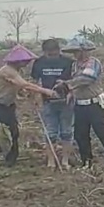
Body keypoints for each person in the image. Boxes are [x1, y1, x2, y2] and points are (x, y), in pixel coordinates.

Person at [0, 44, 58, 166]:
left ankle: (10, 159)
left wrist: (27, 94)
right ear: (18, 61)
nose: (27, 63)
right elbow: (24, 84)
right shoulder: (7, 71)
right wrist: (45, 91)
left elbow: (20, 88)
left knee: (13, 132)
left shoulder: (17, 71)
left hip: (7, 106)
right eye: (25, 61)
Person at [55, 36, 104, 168]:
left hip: (95, 104)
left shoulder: (93, 62)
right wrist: (70, 92)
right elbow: (76, 83)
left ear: (84, 51)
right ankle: (87, 161)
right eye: (73, 52)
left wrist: (67, 85)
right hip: (80, 105)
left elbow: (86, 79)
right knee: (81, 135)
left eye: (77, 51)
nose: (75, 54)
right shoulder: (74, 65)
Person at [31, 38, 75, 168]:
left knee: (66, 132)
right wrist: (36, 98)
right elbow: (35, 82)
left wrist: (71, 94)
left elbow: (75, 82)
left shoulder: (69, 63)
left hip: (66, 102)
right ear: (44, 52)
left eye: (55, 54)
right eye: (50, 55)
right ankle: (51, 161)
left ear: (59, 51)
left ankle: (65, 161)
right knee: (50, 132)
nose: (53, 57)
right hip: (48, 102)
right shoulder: (38, 63)